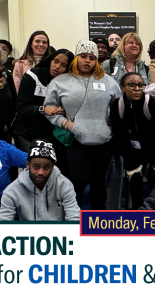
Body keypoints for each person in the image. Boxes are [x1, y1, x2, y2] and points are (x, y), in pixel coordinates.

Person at [44, 40, 122, 209]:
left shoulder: (109, 82)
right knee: (77, 182)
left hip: (103, 141)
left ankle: (97, 222)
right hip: (76, 140)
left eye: (92, 58)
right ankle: (72, 218)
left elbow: (118, 108)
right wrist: (66, 124)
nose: (87, 61)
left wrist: (111, 126)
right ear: (76, 58)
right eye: (83, 56)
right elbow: (48, 109)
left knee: (99, 182)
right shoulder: (60, 82)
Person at [110, 72, 155, 209]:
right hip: (132, 150)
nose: (137, 89)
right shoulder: (117, 105)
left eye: (140, 85)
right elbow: (120, 137)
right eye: (132, 85)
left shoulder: (151, 103)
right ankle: (136, 213)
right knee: (134, 179)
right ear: (123, 87)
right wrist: (132, 164)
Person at [15, 48, 74, 178]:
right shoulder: (32, 76)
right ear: (50, 60)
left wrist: (64, 110)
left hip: (53, 133)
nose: (57, 67)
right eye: (56, 61)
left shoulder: (68, 82)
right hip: (28, 132)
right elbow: (22, 108)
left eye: (63, 65)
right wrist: (42, 109)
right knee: (34, 172)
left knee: (57, 173)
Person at [0, 139, 80, 221]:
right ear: (28, 165)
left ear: (52, 166)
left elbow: (74, 216)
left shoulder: (64, 185)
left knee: (89, 225)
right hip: (29, 233)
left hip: (58, 232)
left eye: (46, 167)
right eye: (36, 167)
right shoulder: (12, 190)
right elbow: (3, 222)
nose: (41, 172)